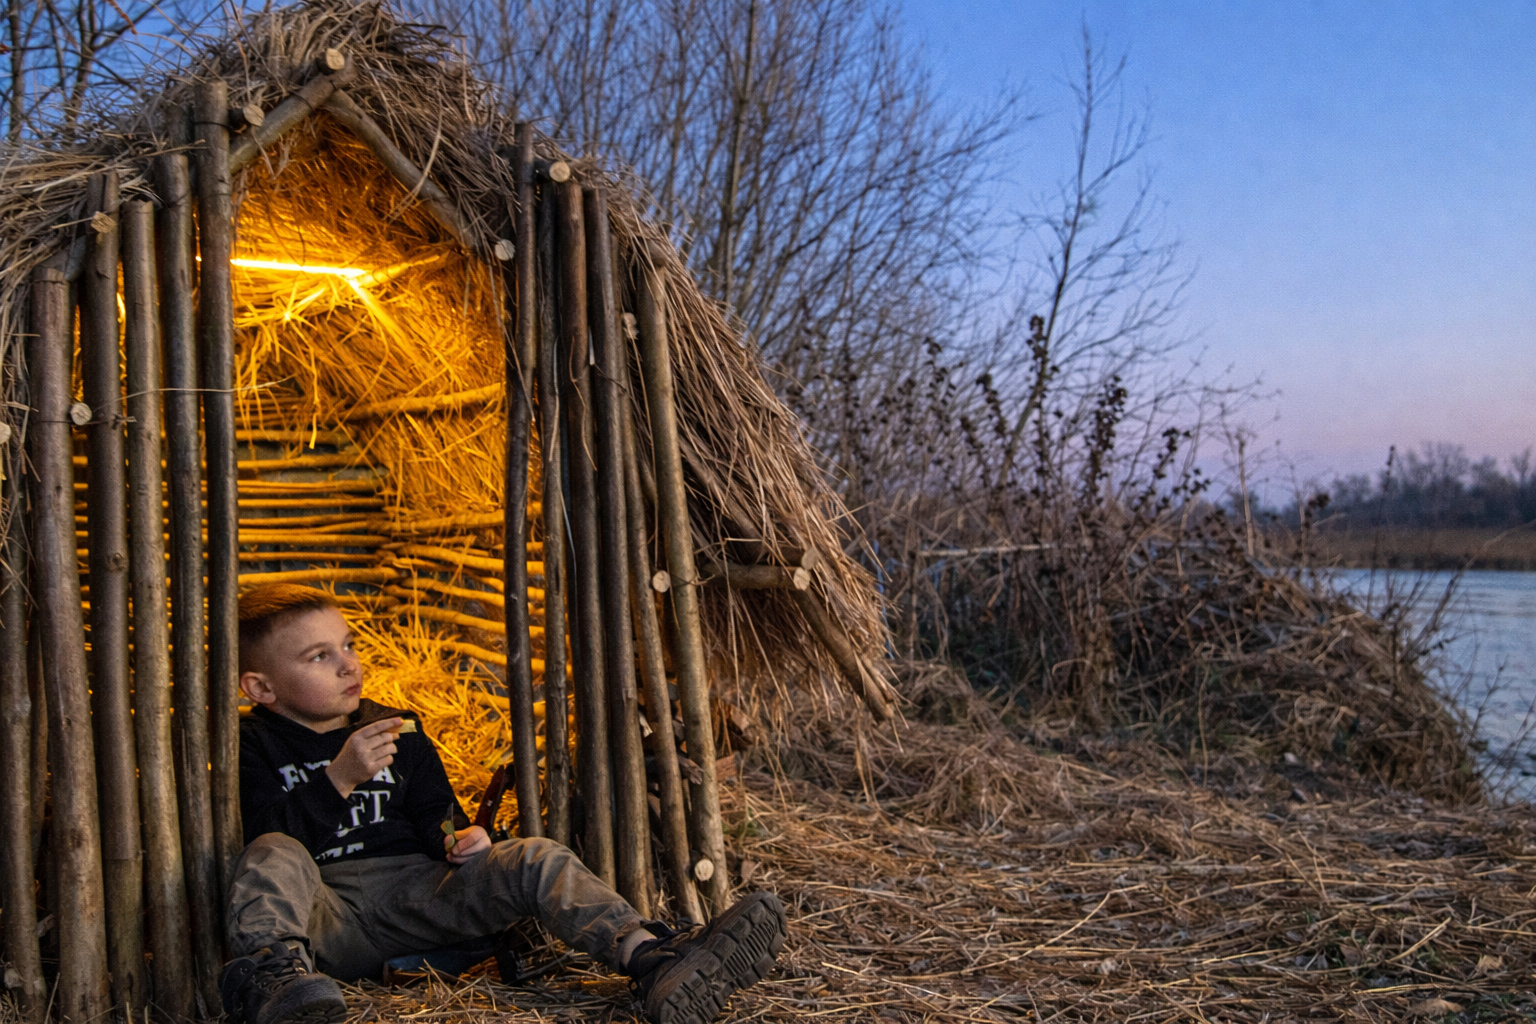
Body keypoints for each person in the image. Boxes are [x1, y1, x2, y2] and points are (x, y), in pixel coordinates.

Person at [223, 583, 785, 1024]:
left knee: (535, 857)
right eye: (319, 656)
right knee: (273, 850)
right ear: (261, 688)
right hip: (326, 917)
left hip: (418, 899)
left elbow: (436, 816)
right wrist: (339, 777)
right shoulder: (250, 745)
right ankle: (280, 987)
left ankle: (651, 958)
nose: (348, 664)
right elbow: (264, 844)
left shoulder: (398, 729)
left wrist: (461, 838)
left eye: (348, 645)